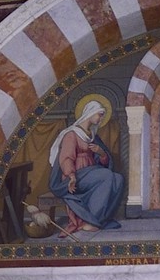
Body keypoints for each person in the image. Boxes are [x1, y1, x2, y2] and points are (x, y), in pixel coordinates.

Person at [49, 97, 127, 231]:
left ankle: (100, 219)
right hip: (75, 176)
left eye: (102, 116)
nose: (101, 119)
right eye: (100, 115)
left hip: (92, 173)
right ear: (91, 113)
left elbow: (102, 161)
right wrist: (71, 176)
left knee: (119, 179)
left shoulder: (92, 136)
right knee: (107, 176)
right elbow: (66, 158)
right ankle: (90, 221)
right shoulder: (72, 134)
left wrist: (101, 153)